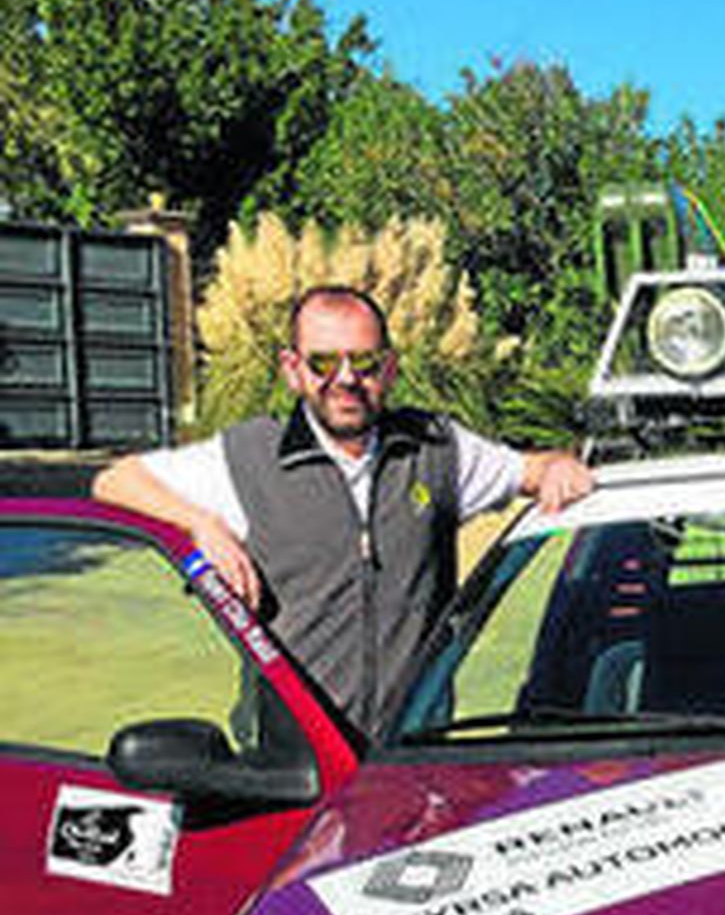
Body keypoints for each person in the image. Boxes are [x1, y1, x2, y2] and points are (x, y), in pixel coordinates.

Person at [93, 285, 594, 736]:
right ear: (293, 369)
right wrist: (203, 525)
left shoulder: (437, 449)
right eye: (323, 363)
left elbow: (534, 468)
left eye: (366, 363)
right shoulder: (248, 456)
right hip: (293, 760)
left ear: (390, 368)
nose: (346, 379)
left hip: (410, 752)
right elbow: (115, 481)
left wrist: (558, 467)